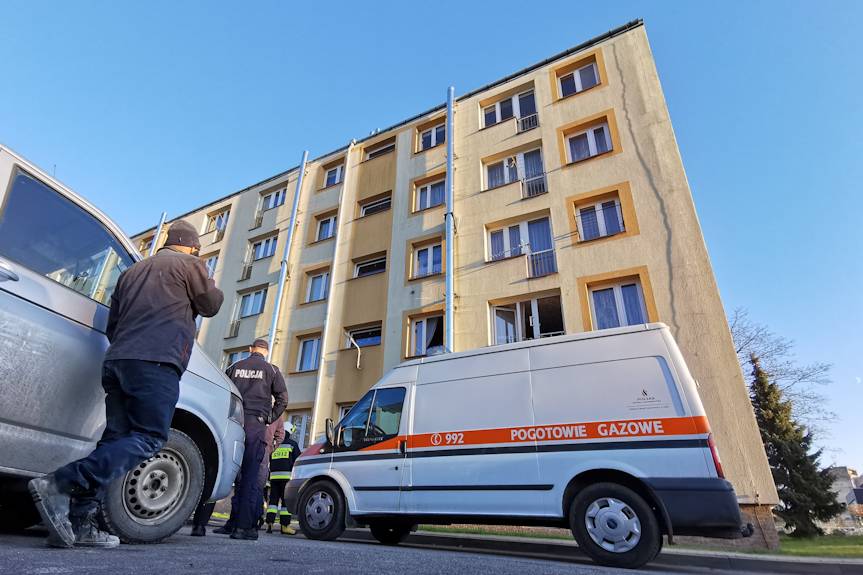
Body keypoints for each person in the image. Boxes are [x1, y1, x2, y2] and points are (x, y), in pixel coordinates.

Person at [28, 220, 223, 549]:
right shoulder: (190, 264)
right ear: (192, 246)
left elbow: (112, 324)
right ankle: (60, 483)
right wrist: (205, 273)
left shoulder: (131, 272)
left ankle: (82, 522)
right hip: (156, 362)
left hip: (118, 361)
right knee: (149, 437)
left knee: (115, 440)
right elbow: (212, 305)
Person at [218, 338, 287, 541]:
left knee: (228, 471)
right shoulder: (271, 370)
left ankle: (211, 522)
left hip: (233, 423)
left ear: (250, 350)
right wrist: (269, 418)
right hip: (255, 426)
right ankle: (243, 528)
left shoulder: (234, 366)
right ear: (266, 352)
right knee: (250, 476)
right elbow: (283, 399)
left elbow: (223, 392)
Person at [193, 415, 284, 536]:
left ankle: (239, 525)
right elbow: (280, 436)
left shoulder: (254, 405)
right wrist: (269, 448)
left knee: (243, 486)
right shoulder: (274, 413)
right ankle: (247, 526)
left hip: (246, 446)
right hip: (259, 449)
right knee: (253, 488)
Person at [265, 422, 300, 535]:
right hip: (287, 478)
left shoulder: (275, 445)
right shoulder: (292, 444)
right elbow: (298, 461)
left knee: (273, 502)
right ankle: (285, 526)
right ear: (290, 432)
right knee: (285, 503)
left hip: (274, 478)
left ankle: (269, 524)